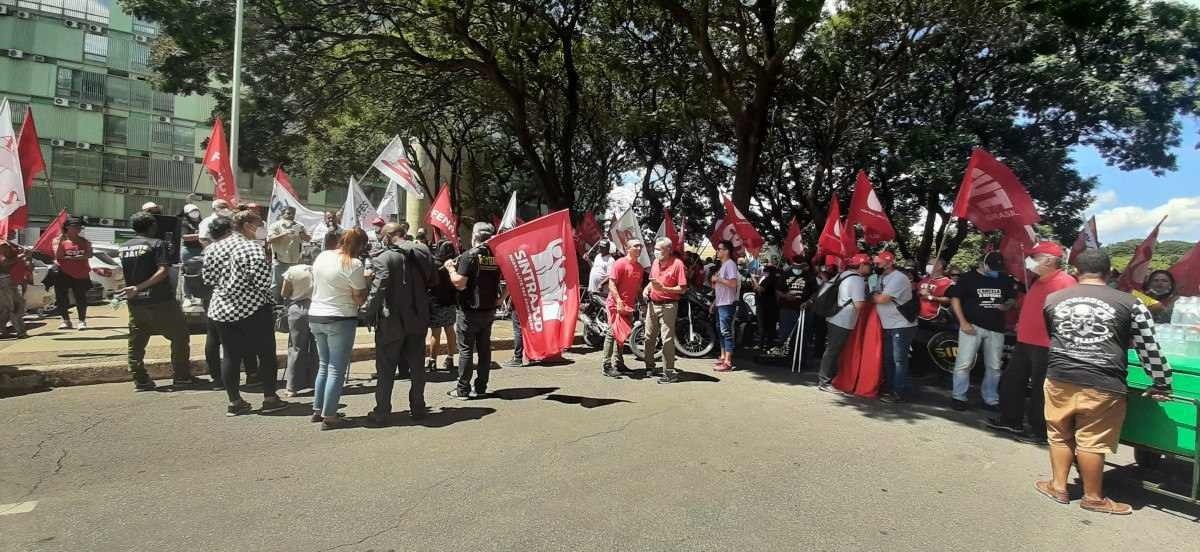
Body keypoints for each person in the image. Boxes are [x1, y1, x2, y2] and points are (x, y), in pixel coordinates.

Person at [1035, 248, 1173, 515]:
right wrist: (1162, 382)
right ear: (1109, 273)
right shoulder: (1131, 303)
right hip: (1103, 381)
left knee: (1059, 434)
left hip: (1059, 378)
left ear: (1075, 271)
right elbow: (1149, 349)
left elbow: (1055, 334)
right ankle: (1094, 497)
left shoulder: (1053, 299)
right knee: (1092, 441)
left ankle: (1058, 486)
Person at [202, 210, 290, 417]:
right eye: (259, 224)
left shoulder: (213, 247)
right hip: (253, 309)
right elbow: (262, 283)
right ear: (248, 226)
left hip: (221, 308)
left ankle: (235, 401)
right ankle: (270, 398)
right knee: (266, 354)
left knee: (231, 355)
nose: (262, 228)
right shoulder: (252, 248)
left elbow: (207, 279)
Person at [987, 241, 1077, 443]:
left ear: (1048, 260)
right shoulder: (1037, 281)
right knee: (1012, 382)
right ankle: (1011, 420)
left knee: (1040, 389)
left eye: (1034, 257)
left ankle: (1041, 431)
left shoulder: (1066, 282)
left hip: (1047, 345)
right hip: (1025, 342)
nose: (1029, 261)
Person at [119, 212, 205, 391]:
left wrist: (135, 289)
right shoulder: (157, 244)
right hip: (160, 299)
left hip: (136, 302)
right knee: (180, 336)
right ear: (152, 226)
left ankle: (140, 379)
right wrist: (141, 287)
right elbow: (163, 271)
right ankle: (181, 376)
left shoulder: (124, 247)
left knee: (137, 341)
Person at [366, 223, 434, 424]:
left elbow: (379, 288)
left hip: (392, 321)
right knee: (417, 367)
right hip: (418, 318)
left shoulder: (383, 258)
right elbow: (433, 280)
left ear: (388, 236)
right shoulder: (423, 253)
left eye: (382, 235)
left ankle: (382, 411)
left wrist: (366, 312)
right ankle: (418, 407)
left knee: (386, 368)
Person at [308, 228, 369, 429]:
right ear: (360, 245)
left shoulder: (323, 256)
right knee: (336, 368)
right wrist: (367, 282)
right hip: (340, 317)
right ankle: (330, 415)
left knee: (324, 365)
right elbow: (358, 298)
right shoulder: (355, 263)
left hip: (316, 314)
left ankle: (318, 409)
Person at [948, 252, 1017, 411]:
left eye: (997, 268)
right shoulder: (967, 277)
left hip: (996, 328)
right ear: (982, 263)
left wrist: (1006, 305)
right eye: (992, 267)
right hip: (971, 326)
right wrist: (963, 322)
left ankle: (990, 398)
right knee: (964, 363)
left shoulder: (1004, 278)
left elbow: (1012, 298)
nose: (995, 271)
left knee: (994, 366)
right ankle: (959, 396)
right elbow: (955, 298)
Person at [446, 222, 502, 399]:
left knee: (466, 350)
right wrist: (500, 299)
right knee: (484, 349)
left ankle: (463, 389)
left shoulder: (468, 256)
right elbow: (509, 279)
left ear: (475, 237)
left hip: (469, 311)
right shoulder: (497, 255)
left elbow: (459, 284)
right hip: (488, 310)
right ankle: (481, 386)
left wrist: (450, 269)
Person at [817, 254, 870, 392]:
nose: (870, 267)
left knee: (832, 349)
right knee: (833, 350)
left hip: (834, 316)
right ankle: (825, 382)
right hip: (843, 319)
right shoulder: (857, 280)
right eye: (868, 265)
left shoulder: (843, 274)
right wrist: (871, 299)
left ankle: (827, 379)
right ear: (861, 265)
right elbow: (859, 305)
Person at [871, 252, 918, 403]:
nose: (875, 266)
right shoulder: (882, 277)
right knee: (889, 359)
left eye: (878, 264)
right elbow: (877, 296)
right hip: (889, 324)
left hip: (901, 325)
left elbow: (882, 299)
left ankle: (899, 392)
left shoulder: (898, 278)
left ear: (889, 263)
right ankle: (892, 388)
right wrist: (876, 296)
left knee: (899, 360)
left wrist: (874, 296)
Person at [643, 237, 688, 383]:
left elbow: (682, 289)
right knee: (649, 336)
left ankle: (669, 372)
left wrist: (664, 289)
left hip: (669, 305)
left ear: (668, 250)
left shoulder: (677, 264)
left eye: (658, 249)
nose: (655, 252)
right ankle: (649, 366)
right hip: (652, 304)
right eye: (655, 249)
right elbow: (652, 281)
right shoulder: (655, 262)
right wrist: (647, 288)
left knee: (666, 339)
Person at [602, 238, 645, 378]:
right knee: (613, 333)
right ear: (628, 248)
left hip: (629, 306)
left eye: (640, 246)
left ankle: (618, 363)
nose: (639, 248)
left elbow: (638, 288)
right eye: (636, 246)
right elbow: (611, 284)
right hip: (615, 304)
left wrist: (642, 303)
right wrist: (619, 301)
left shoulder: (639, 267)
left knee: (622, 335)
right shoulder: (620, 263)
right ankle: (606, 365)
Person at [280, 254, 317, 397]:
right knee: (316, 347)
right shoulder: (316, 270)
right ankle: (315, 382)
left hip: (297, 309)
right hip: (316, 308)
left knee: (296, 347)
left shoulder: (292, 271)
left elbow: (284, 292)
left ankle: (292, 387)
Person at [53, 216, 93, 330]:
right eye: (75, 227)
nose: (78, 229)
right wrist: (76, 257)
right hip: (63, 273)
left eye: (79, 227)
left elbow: (89, 255)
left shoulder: (85, 242)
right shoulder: (59, 240)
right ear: (67, 228)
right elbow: (58, 256)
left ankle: (82, 320)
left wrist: (72, 257)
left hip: (81, 273)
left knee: (80, 297)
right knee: (61, 297)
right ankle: (66, 320)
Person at [426, 240, 459, 373]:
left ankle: (432, 360)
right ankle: (450, 358)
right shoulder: (455, 264)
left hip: (435, 302)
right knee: (450, 330)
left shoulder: (433, 264)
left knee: (435, 332)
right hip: (450, 302)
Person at [267, 206, 310, 302]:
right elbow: (270, 239)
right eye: (288, 213)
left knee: (293, 283)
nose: (291, 216)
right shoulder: (275, 225)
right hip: (280, 259)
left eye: (293, 214)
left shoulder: (299, 226)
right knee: (276, 284)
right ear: (282, 214)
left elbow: (308, 238)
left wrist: (301, 234)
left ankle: (288, 304)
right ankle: (274, 304)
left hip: (294, 260)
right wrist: (285, 233)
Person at [777, 258, 816, 357]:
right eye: (795, 267)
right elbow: (778, 290)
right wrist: (785, 296)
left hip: (804, 310)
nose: (797, 269)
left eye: (800, 267)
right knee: (786, 333)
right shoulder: (785, 274)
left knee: (803, 335)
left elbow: (815, 292)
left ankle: (801, 356)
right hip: (787, 309)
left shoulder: (809, 276)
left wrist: (809, 302)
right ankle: (786, 355)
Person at [712, 240, 740, 372]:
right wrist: (714, 303)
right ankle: (723, 356)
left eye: (720, 249)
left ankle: (728, 362)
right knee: (720, 331)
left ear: (727, 251)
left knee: (726, 332)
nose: (717, 251)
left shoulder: (730, 265)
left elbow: (733, 284)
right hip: (720, 303)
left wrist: (719, 279)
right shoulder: (723, 265)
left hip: (727, 304)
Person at [0, 241, 30, 338]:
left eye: (7, 247)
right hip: (5, 284)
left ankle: (2, 330)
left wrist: (25, 255)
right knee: (15, 307)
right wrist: (22, 255)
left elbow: (27, 266)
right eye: (3, 247)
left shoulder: (13, 254)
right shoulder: (4, 257)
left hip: (11, 283)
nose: (6, 249)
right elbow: (6, 263)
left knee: (7, 309)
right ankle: (21, 332)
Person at [754, 260, 782, 351]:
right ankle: (768, 344)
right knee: (770, 326)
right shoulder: (772, 278)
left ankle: (762, 344)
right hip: (770, 305)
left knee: (763, 325)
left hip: (765, 305)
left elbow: (761, 289)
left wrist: (753, 280)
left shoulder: (770, 279)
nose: (764, 272)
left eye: (765, 270)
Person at [917, 257, 954, 323]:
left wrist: (930, 297)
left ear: (940, 266)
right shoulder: (923, 280)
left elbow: (950, 300)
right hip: (918, 317)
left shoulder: (948, 283)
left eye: (930, 264)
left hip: (936, 320)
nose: (927, 266)